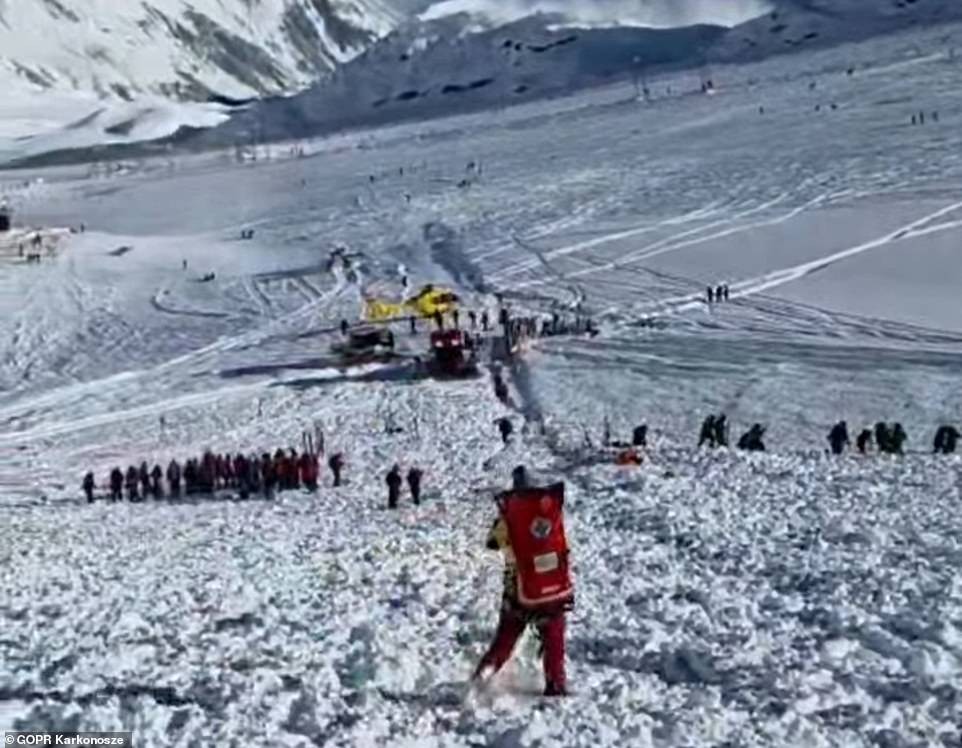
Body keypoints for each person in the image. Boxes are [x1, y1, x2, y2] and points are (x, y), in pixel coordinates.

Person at [472, 472, 567, 697]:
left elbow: (492, 543)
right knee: (555, 640)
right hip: (552, 593)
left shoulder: (508, 520)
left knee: (504, 641)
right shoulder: (552, 513)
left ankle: (482, 677)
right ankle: (556, 684)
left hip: (517, 592)